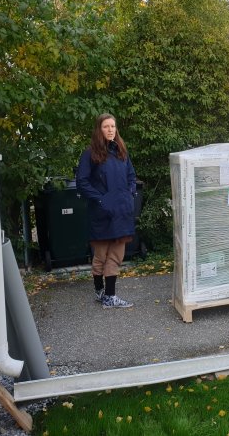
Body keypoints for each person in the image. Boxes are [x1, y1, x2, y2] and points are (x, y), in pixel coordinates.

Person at [76, 113, 137, 309]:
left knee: (116, 255)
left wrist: (130, 193)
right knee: (101, 255)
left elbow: (131, 175)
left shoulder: (122, 152)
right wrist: (101, 199)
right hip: (102, 213)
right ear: (98, 129)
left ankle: (110, 296)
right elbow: (82, 182)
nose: (110, 130)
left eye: (113, 126)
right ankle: (99, 291)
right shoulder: (90, 154)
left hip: (122, 212)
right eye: (106, 126)